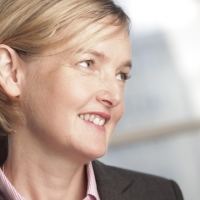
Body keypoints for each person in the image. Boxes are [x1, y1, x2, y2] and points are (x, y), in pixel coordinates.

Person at [0, 0, 184, 199]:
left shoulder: (161, 194)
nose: (114, 96)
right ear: (11, 72)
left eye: (121, 75)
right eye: (87, 64)